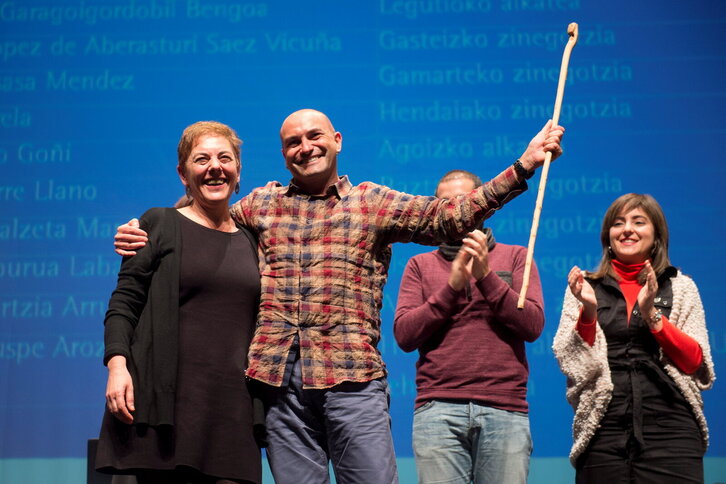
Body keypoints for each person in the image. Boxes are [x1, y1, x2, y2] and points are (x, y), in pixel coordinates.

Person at [115, 109, 564, 484]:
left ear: (337, 141)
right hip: (279, 388)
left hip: (352, 380)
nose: (305, 147)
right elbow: (205, 215)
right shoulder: (261, 205)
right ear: (283, 154)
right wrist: (148, 230)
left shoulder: (372, 203)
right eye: (293, 142)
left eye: (315, 136)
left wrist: (523, 165)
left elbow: (449, 217)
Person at [96, 121, 262, 484]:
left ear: (238, 171)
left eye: (225, 158)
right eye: (201, 159)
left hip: (232, 413)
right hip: (167, 413)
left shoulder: (253, 239)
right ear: (183, 174)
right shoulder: (159, 223)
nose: (215, 167)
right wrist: (117, 367)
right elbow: (124, 303)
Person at [393, 170, 544, 484]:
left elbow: (532, 326)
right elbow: (405, 336)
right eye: (444, 203)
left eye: (463, 201)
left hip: (505, 406)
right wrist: (452, 287)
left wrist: (486, 277)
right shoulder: (420, 265)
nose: (455, 210)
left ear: (483, 206)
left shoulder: (516, 256)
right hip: (438, 408)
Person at [552, 193, 715, 483]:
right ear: (608, 236)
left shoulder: (681, 286)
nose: (627, 229)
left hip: (671, 427)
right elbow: (572, 362)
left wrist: (651, 314)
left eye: (638, 222)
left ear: (656, 236)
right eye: (618, 223)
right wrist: (588, 311)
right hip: (603, 426)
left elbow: (694, 363)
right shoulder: (584, 287)